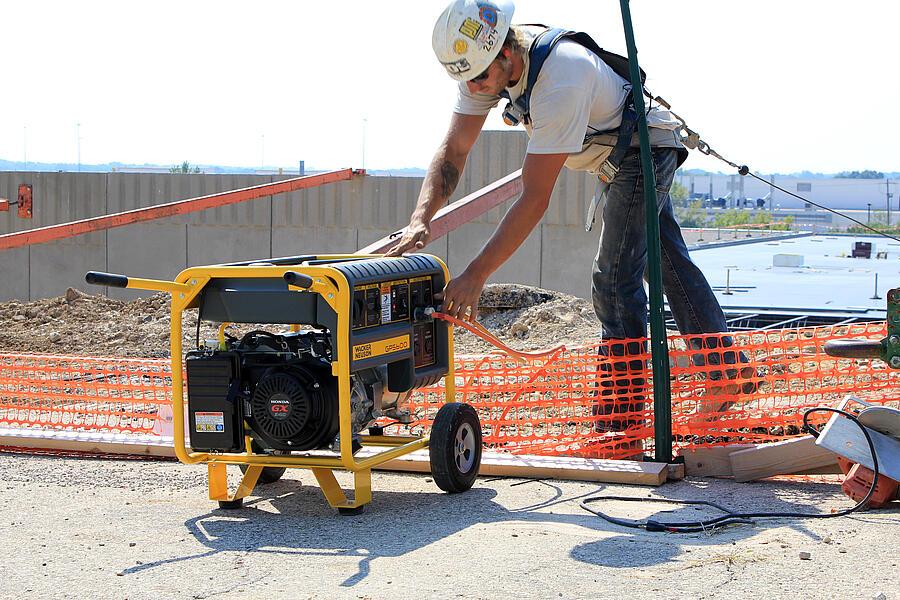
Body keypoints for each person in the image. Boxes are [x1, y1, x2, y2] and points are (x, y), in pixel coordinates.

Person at [386, 0, 751, 423]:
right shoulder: (483, 71)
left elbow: (534, 197)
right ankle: (728, 372)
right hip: (618, 155)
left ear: (507, 52)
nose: (475, 89)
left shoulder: (559, 78)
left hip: (643, 152)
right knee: (666, 264)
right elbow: (453, 153)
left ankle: (621, 421)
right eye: (466, 81)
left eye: (481, 78)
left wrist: (475, 276)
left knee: (614, 280)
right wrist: (420, 218)